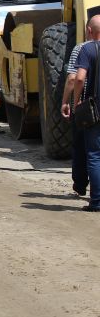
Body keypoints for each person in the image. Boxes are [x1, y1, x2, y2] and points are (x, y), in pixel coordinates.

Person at [74, 15, 100, 211]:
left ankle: (97, 202)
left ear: (89, 31)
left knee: (94, 155)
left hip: (95, 109)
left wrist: (76, 102)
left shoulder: (87, 49)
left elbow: (79, 78)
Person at [63, 37, 91, 197]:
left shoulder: (81, 49)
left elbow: (73, 78)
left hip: (84, 106)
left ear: (88, 30)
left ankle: (80, 185)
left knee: (81, 146)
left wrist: (68, 102)